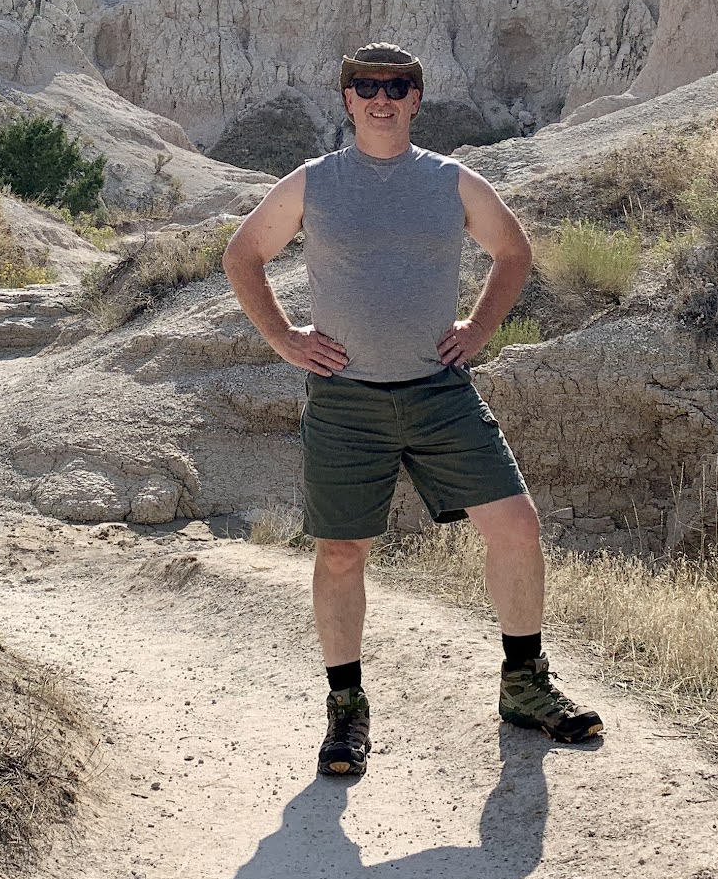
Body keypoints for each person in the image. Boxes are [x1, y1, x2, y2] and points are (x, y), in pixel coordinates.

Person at [222, 40, 604, 777]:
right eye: (366, 86)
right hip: (346, 401)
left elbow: (513, 252)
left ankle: (524, 686)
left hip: (438, 394)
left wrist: (480, 329)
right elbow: (244, 255)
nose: (382, 98)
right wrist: (282, 338)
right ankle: (345, 713)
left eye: (397, 85)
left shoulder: (450, 180)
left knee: (517, 527)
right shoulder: (313, 183)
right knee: (340, 554)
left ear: (417, 98)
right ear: (347, 99)